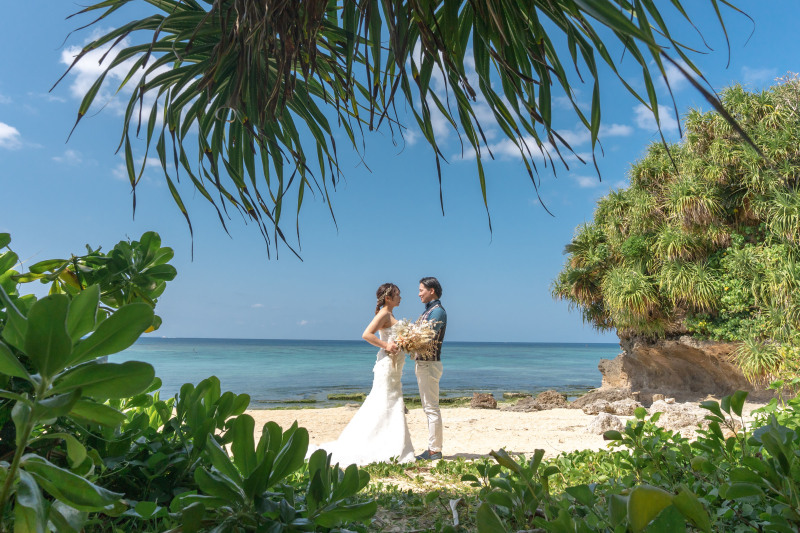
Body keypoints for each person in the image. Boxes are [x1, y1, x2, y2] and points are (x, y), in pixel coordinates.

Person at [306, 283, 416, 466]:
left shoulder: (390, 314)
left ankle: (390, 443)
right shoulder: (384, 313)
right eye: (398, 294)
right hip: (387, 365)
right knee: (386, 401)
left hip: (395, 366)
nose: (401, 297)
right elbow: (367, 334)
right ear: (388, 298)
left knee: (391, 401)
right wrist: (387, 345)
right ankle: (382, 446)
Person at [414, 277, 447, 461]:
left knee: (431, 408)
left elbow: (426, 338)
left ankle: (434, 450)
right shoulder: (430, 311)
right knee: (429, 407)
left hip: (429, 364)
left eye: (421, 290)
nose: (419, 294)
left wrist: (409, 342)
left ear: (431, 290)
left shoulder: (437, 312)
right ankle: (433, 448)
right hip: (425, 364)